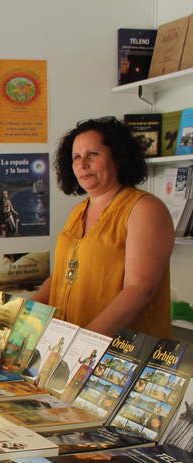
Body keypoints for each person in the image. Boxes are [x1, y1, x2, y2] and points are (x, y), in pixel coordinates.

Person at [32, 117, 174, 338]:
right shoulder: (78, 211)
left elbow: (140, 290)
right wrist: (21, 316)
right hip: (68, 344)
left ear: (118, 158)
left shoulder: (145, 209)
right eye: (76, 157)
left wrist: (85, 342)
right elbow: (62, 275)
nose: (82, 163)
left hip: (120, 353)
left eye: (93, 154)